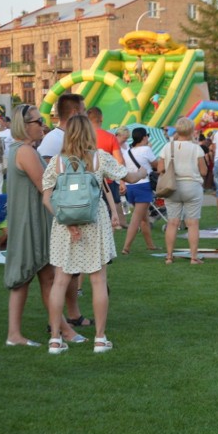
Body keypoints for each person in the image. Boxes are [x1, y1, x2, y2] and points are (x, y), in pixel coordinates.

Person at [43, 115, 146, 354]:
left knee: (60, 280)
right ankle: (100, 338)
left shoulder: (56, 162)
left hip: (64, 226)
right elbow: (129, 177)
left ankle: (56, 339)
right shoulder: (100, 158)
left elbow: (46, 197)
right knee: (98, 280)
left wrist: (65, 220)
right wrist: (141, 172)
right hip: (94, 221)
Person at [4, 104, 83, 347]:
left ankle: (64, 329)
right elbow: (45, 186)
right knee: (23, 278)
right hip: (30, 222)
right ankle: (14, 335)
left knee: (46, 276)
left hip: (33, 219)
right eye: (38, 122)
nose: (43, 126)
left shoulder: (23, 150)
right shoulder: (25, 151)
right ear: (24, 125)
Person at [36, 93, 90, 326]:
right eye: (84, 111)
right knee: (61, 271)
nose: (87, 114)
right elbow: (49, 180)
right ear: (75, 113)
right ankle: (58, 323)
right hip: (61, 213)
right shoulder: (54, 140)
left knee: (72, 269)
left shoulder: (66, 138)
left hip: (70, 211)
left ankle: (72, 315)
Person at [157, 117, 208, 265]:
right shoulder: (196, 148)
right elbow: (204, 171)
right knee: (192, 224)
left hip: (172, 187)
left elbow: (160, 168)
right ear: (191, 130)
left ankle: (169, 256)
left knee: (172, 223)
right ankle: (193, 257)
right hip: (192, 186)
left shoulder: (168, 147)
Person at [88, 107, 128, 229]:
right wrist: (122, 181)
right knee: (108, 219)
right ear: (101, 119)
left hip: (86, 182)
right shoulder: (110, 137)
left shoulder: (81, 137)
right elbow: (120, 161)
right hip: (107, 184)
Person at [122, 127, 159, 254]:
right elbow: (156, 165)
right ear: (144, 137)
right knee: (136, 219)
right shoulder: (146, 149)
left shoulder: (127, 151)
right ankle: (126, 247)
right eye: (147, 136)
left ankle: (150, 245)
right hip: (143, 186)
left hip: (130, 186)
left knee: (144, 218)